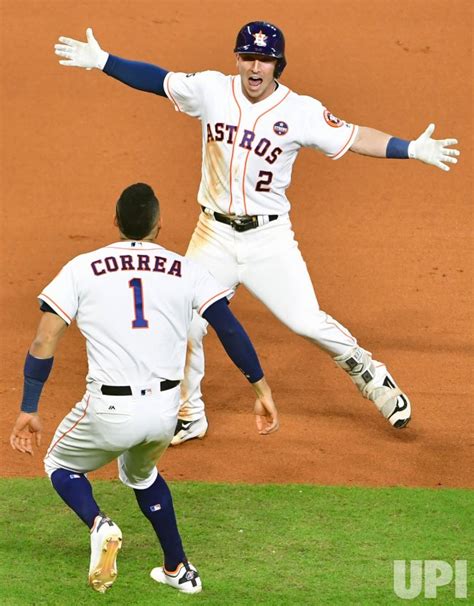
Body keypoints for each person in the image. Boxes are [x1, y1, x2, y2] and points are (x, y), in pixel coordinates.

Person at [53, 22, 460, 444]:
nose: (254, 67)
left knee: (305, 321)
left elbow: (356, 136)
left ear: (277, 65)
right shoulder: (211, 90)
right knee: (186, 323)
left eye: (264, 60)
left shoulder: (299, 111)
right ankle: (191, 414)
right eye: (248, 57)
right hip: (212, 235)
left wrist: (411, 148)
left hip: (269, 241)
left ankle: (372, 375)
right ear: (237, 58)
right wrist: (103, 61)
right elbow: (158, 80)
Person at [9, 183, 279, 594]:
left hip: (108, 409)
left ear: (116, 222)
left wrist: (29, 406)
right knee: (142, 473)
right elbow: (228, 327)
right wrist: (261, 389)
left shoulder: (82, 267)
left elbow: (44, 341)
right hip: (165, 413)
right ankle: (179, 570)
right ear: (158, 225)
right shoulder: (186, 269)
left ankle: (100, 523)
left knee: (60, 465)